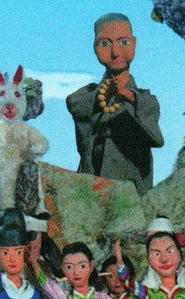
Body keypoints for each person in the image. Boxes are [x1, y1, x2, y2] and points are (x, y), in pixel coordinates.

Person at [66, 13, 163, 195]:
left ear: (134, 44)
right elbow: (75, 104)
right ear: (95, 48)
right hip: (91, 188)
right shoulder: (86, 97)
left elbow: (155, 138)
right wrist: (105, 93)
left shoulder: (145, 101)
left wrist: (128, 95)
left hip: (132, 191)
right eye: (104, 44)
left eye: (123, 42)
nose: (115, 52)